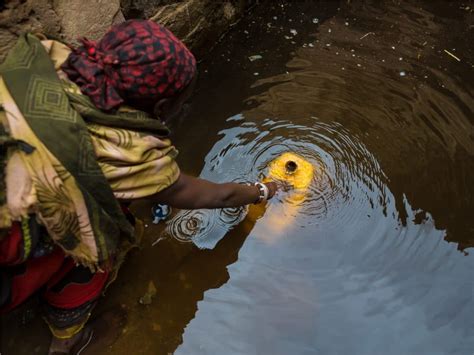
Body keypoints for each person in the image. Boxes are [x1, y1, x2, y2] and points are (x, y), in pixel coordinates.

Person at [0, 20, 277, 354]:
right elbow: (216, 196)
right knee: (102, 237)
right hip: (8, 249)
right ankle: (69, 339)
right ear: (161, 108)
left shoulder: (43, 60)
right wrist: (263, 190)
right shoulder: (128, 156)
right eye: (180, 103)